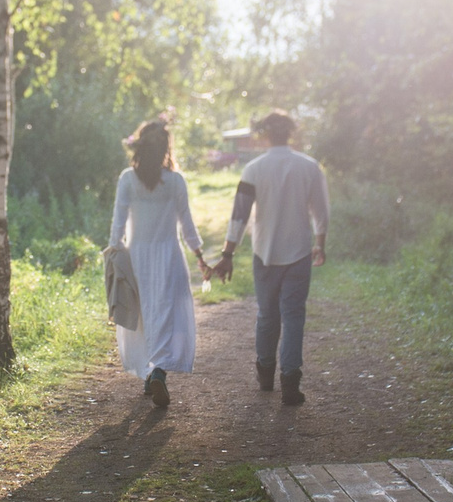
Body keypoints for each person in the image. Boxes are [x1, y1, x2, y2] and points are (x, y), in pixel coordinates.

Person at [214, 110, 328, 406]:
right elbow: (321, 210)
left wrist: (228, 253)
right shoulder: (309, 167)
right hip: (299, 252)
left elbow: (239, 216)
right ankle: (290, 380)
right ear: (290, 133)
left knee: (267, 315)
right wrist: (320, 243)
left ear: (264, 134)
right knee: (293, 316)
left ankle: (265, 373)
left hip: (264, 252)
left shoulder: (253, 169)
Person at [106, 117, 206, 409]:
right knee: (165, 312)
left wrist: (114, 251)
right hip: (169, 255)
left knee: (142, 315)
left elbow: (118, 221)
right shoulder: (174, 181)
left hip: (137, 256)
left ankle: (151, 373)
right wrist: (199, 255)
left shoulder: (128, 179)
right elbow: (187, 224)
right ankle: (158, 371)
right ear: (165, 148)